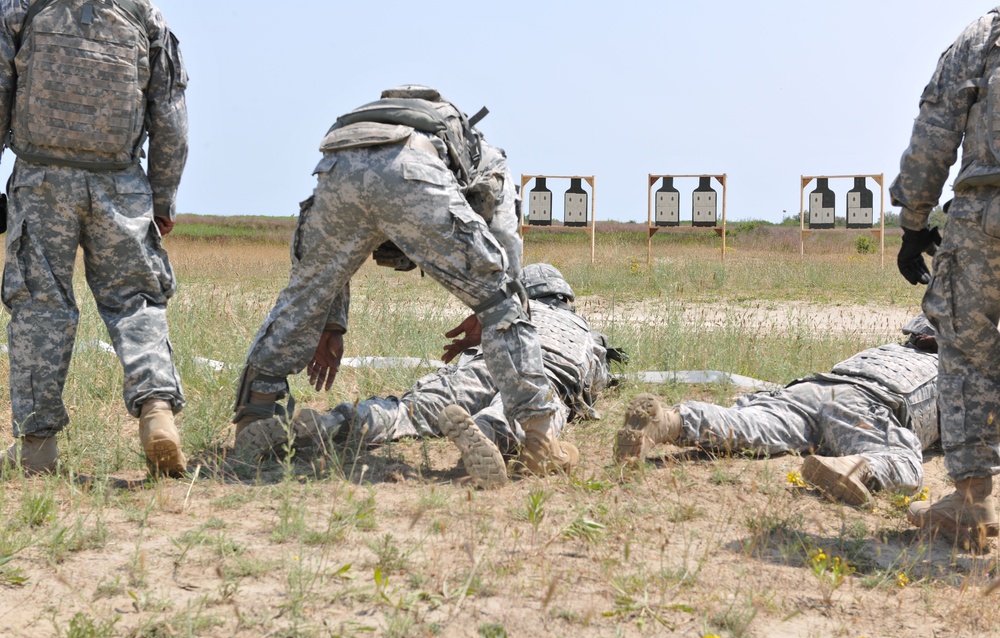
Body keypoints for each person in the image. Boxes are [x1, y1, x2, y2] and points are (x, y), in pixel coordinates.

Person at [231, 86, 577, 476]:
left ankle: (255, 417)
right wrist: (490, 303)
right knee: (506, 303)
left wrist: (330, 321)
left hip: (335, 166)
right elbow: (506, 244)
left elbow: (328, 269)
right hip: (413, 170)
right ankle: (539, 436)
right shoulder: (487, 155)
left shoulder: (373, 120)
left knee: (301, 296)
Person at [0, 0, 189, 476]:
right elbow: (169, 114)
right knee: (136, 301)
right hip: (120, 184)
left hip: (40, 181)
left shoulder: (18, 9)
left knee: (39, 304)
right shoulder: (145, 15)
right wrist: (163, 197)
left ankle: (38, 446)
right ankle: (156, 412)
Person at [237, 263, 621, 487]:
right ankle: (486, 431)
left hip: (481, 363)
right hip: (539, 375)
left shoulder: (506, 311)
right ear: (565, 298)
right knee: (518, 411)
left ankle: (330, 423)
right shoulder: (588, 333)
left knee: (410, 409)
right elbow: (591, 380)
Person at [615, 316, 939, 507]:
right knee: (904, 459)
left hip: (811, 387)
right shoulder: (955, 369)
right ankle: (855, 466)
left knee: (752, 425)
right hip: (866, 405)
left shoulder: (884, 351)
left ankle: (671, 421)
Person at [890, 10, 1000, 550]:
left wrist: (914, 222)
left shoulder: (987, 34)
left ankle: (972, 501)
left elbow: (937, 127)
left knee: (968, 349)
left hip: (987, 219)